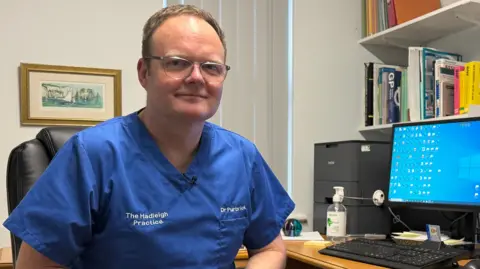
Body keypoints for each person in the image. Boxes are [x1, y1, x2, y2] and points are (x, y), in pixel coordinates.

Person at [3, 4, 295, 269]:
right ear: (145, 72)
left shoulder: (242, 156)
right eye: (177, 63)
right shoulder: (91, 156)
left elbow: (270, 249)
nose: (196, 77)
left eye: (211, 67)